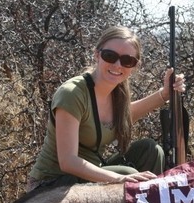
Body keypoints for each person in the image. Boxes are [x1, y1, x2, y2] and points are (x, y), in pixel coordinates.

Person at [26, 25, 185, 191]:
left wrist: (165, 94)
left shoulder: (117, 92)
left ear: (135, 65)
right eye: (110, 56)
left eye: (127, 60)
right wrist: (120, 178)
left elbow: (124, 116)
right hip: (52, 182)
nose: (117, 65)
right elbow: (68, 161)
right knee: (127, 172)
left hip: (86, 176)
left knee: (151, 150)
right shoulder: (72, 93)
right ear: (97, 54)